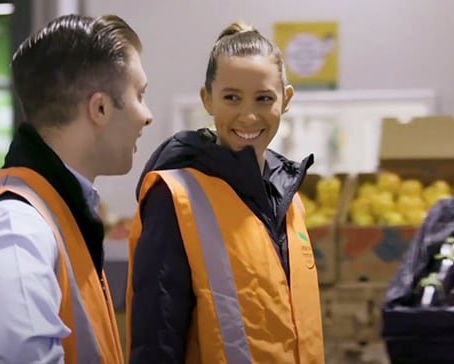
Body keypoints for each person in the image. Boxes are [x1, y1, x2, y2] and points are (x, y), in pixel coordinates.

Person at [0, 13, 152, 364]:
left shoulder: (58, 213)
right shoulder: (14, 228)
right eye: (140, 94)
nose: (146, 115)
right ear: (101, 108)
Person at [126, 21, 324, 364]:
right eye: (231, 97)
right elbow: (155, 343)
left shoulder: (290, 200)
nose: (248, 115)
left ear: (286, 99)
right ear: (207, 99)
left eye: (264, 98)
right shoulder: (174, 199)